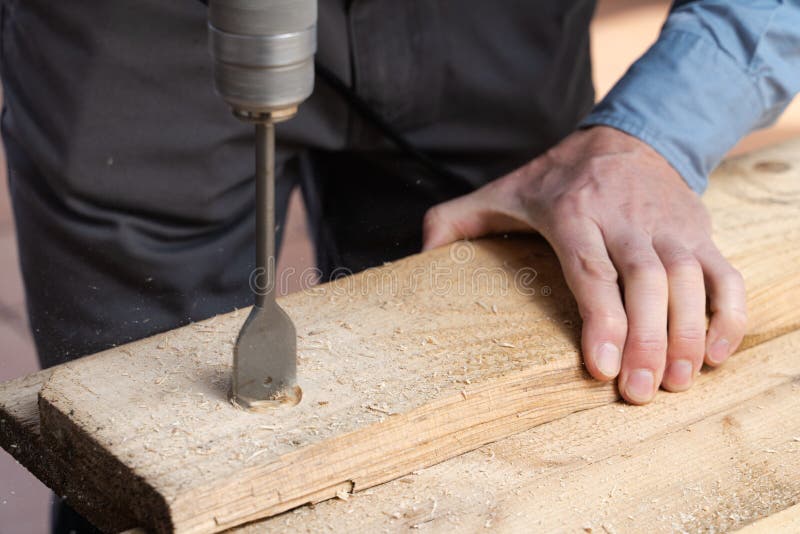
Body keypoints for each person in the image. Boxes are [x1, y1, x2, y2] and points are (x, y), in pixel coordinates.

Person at [2, 0, 799, 531]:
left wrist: (654, 131)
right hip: (134, 31)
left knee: (496, 422)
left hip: (494, 27)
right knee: (132, 459)